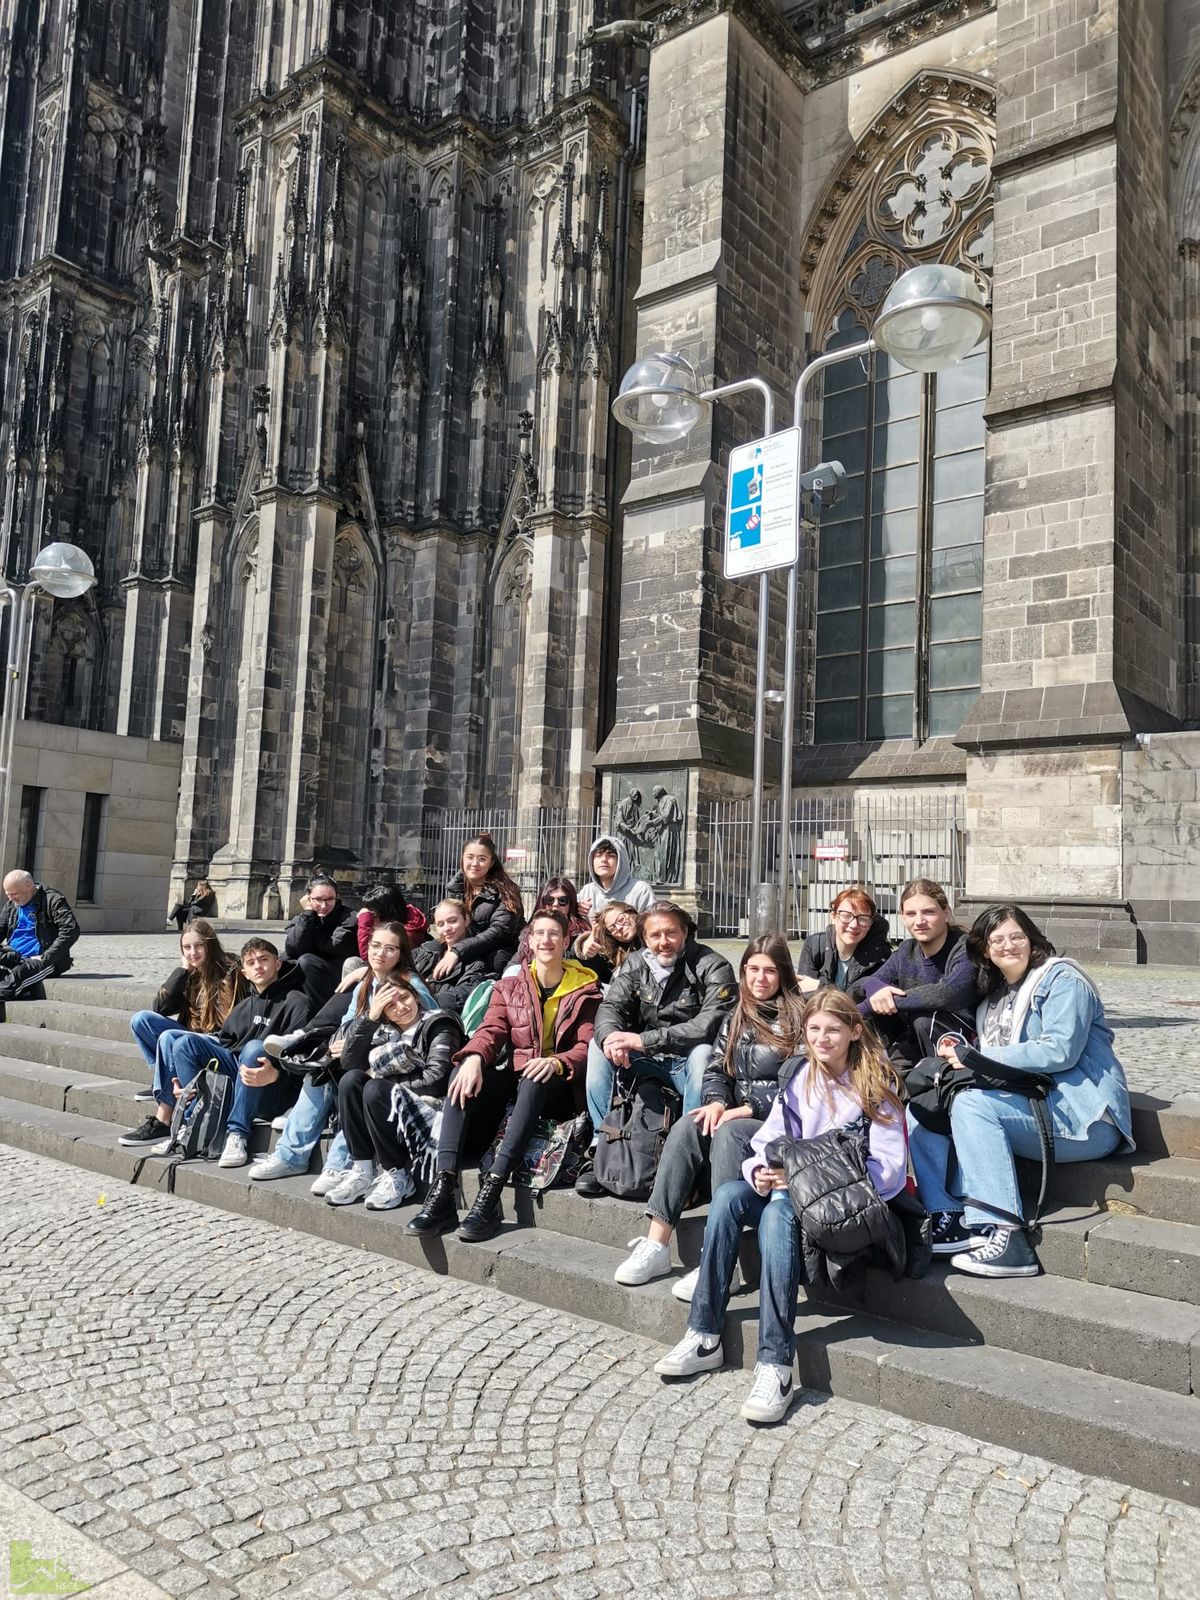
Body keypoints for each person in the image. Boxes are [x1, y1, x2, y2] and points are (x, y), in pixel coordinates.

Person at [655, 989, 906, 1425]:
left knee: (778, 1211)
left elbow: (889, 1173)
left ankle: (776, 1362)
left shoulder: (874, 1089)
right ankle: (704, 1333)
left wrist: (802, 1177)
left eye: (833, 1029)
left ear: (854, 1032)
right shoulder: (801, 1079)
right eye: (813, 1030)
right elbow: (763, 1143)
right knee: (732, 1196)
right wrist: (761, 1173)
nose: (822, 1039)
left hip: (841, 1214)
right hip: (791, 1194)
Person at [908, 904, 1134, 1279]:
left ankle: (1009, 1237)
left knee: (972, 1106)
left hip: (1085, 1117)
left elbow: (1059, 1049)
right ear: (984, 950)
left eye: (1017, 936)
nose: (1008, 945)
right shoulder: (992, 1002)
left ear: (1032, 940)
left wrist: (976, 1057)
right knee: (922, 1108)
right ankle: (947, 1217)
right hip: (1032, 1109)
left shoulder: (1062, 979)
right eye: (997, 939)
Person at [614, 934, 807, 1298]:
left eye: (769, 971)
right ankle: (657, 1243)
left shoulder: (800, 1017)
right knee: (691, 1124)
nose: (760, 979)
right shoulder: (737, 1016)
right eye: (753, 970)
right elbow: (717, 1069)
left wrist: (748, 1108)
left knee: (730, 1133)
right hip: (735, 1111)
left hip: (778, 1122)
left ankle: (724, 1259)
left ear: (783, 974)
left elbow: (801, 1081)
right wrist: (717, 1100)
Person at [406, 909, 600, 1242]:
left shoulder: (586, 988)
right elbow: (491, 1029)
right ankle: (443, 1188)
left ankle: (492, 1192)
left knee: (534, 1077)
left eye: (554, 933)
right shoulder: (510, 986)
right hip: (517, 1084)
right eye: (539, 933)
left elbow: (587, 1045)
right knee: (461, 1074)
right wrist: (474, 1058)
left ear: (566, 940)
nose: (545, 940)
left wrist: (557, 1062)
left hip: (559, 1089)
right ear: (530, 939)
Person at [248, 922, 433, 1186]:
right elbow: (347, 1025)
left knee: (351, 1081)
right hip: (362, 1057)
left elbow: (425, 1029)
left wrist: (360, 1045)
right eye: (376, 946)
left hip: (398, 1067)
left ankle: (338, 1164)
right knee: (320, 1073)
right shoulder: (365, 983)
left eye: (390, 949)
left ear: (401, 953)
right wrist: (340, 1044)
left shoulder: (408, 983)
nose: (380, 953)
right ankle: (290, 1156)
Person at [579, 901, 736, 1191]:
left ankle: (690, 1156)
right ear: (644, 938)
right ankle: (602, 1147)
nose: (663, 942)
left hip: (685, 1060)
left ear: (685, 932)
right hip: (646, 1058)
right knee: (598, 1046)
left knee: (703, 1054)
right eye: (655, 935)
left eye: (671, 933)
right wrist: (611, 1038)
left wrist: (644, 1040)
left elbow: (709, 1024)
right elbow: (611, 1006)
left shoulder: (713, 965)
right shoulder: (637, 962)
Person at [118, 938, 311, 1166]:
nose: (258, 966)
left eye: (264, 959)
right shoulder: (244, 1007)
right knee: (182, 1043)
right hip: (239, 1083)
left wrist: (277, 1073)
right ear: (245, 972)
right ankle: (192, 1121)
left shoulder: (298, 1002)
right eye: (251, 962)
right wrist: (191, 1083)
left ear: (277, 964)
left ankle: (237, 1134)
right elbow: (225, 1047)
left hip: (273, 1090)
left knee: (254, 1048)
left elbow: (304, 1056)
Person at [325, 978, 466, 1209]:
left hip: (432, 1113)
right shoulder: (384, 1031)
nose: (401, 1007)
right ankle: (362, 1170)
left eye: (404, 998)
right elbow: (350, 1064)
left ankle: (397, 1174)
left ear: (416, 997)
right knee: (350, 1081)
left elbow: (438, 1079)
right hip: (396, 1116)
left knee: (375, 1088)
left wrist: (385, 1083)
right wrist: (369, 1019)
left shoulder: (439, 1023)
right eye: (390, 1005)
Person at [850, 877, 977, 1076]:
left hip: (957, 1039)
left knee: (923, 1018)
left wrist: (876, 1002)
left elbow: (946, 993)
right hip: (913, 1038)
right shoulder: (906, 951)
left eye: (928, 912)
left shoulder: (965, 949)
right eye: (911, 913)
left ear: (945, 913)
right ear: (902, 917)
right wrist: (874, 987)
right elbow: (858, 986)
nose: (919, 921)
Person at [128, 921, 246, 1105]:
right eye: (187, 947)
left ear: (210, 944)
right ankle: (164, 1077)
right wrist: (182, 971)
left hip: (216, 1039)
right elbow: (160, 1007)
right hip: (190, 1032)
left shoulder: (231, 969)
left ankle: (165, 1093)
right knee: (141, 1020)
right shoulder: (189, 974)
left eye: (199, 946)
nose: (192, 952)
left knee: (168, 1037)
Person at [439, 833, 524, 979]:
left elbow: (499, 931)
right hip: (464, 946)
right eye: (470, 857)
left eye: (482, 859)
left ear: (491, 863)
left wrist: (458, 951)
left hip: (496, 951)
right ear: (462, 859)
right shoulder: (456, 890)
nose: (474, 863)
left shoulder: (507, 891)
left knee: (496, 960)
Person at [0, 870, 80, 1014]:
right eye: (8, 895)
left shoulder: (52, 900)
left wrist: (47, 956)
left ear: (29, 885)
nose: (11, 899)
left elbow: (70, 930)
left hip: (41, 958)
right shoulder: (11, 905)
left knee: (16, 976)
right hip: (14, 955)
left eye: (15, 894)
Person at [797, 885, 892, 994]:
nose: (853, 925)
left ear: (870, 923)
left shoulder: (880, 955)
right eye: (846, 916)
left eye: (863, 919)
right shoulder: (815, 945)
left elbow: (864, 1000)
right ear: (833, 917)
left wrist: (820, 986)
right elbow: (806, 993)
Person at [283, 873, 358, 1008]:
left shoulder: (349, 917)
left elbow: (331, 946)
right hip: (311, 971)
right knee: (282, 962)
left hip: (337, 973)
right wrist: (307, 914)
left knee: (306, 961)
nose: (324, 905)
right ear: (308, 899)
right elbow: (292, 948)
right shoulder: (305, 916)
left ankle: (322, 1013)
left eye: (329, 899)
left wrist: (308, 935)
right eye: (318, 899)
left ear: (337, 898)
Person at [412, 900, 490, 1015]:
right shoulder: (425, 950)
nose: (446, 928)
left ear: (466, 920)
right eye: (440, 924)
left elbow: (461, 997)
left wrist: (416, 1002)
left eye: (452, 921)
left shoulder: (475, 964)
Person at [577, 833, 654, 920]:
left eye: (611, 855)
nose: (604, 860)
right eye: (599, 855)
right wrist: (576, 908)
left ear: (621, 861)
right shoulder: (587, 891)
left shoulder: (640, 890)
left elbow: (651, 923)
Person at [514, 878, 590, 963]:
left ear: (571, 904)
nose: (555, 904)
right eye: (549, 900)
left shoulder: (581, 933)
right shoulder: (528, 931)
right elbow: (517, 960)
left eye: (562, 900)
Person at [572, 900, 641, 986]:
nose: (619, 928)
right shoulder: (615, 957)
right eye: (612, 928)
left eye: (621, 919)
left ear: (631, 913)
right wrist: (583, 946)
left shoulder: (654, 937)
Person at [356, 880, 428, 959]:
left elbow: (370, 958)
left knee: (352, 962)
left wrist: (364, 923)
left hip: (396, 969)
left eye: (374, 916)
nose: (372, 921)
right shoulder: (402, 923)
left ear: (386, 913)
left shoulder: (407, 935)